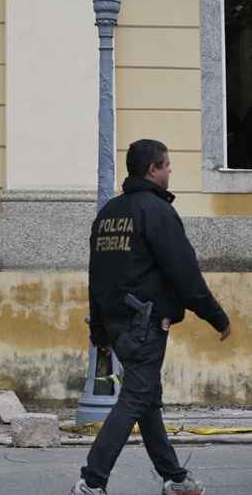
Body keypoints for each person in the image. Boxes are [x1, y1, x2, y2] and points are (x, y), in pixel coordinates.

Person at [70, 139, 232, 495]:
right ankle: (91, 481)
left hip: (116, 323)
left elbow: (97, 275)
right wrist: (217, 317)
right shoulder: (156, 212)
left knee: (146, 400)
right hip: (145, 325)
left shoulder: (109, 214)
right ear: (152, 170)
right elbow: (184, 273)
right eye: (167, 165)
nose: (170, 170)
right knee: (134, 400)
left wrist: (99, 330)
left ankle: (175, 478)